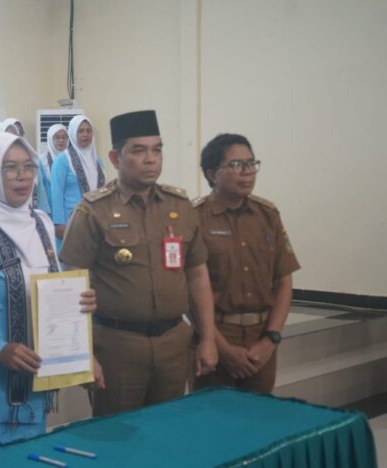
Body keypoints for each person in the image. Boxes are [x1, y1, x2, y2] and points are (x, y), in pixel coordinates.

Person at [0, 132, 101, 458]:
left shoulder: (41, 224)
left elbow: (50, 291)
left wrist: (79, 304)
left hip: (34, 398)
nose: (22, 176)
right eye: (9, 167)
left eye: (28, 166)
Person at [59, 110, 217, 417]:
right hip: (118, 346)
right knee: (118, 434)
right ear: (115, 158)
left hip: (173, 343)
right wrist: (83, 354)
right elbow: (71, 286)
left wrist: (208, 338)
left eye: (157, 150)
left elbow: (198, 274)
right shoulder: (92, 211)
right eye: (138, 150)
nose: (150, 159)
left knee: (166, 430)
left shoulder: (180, 206)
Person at [193, 133, 300, 393]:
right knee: (213, 414)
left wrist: (271, 339)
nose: (248, 172)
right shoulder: (195, 218)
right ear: (212, 174)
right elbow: (189, 292)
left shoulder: (268, 215)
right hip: (215, 336)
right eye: (236, 165)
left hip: (261, 337)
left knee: (259, 415)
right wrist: (222, 348)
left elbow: (284, 282)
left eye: (251, 163)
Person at [50, 115, 106, 242]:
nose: (85, 134)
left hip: (97, 220)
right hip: (72, 220)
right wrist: (59, 222)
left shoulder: (98, 161)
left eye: (88, 130)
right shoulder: (62, 160)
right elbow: (56, 193)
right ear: (73, 133)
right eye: (80, 131)